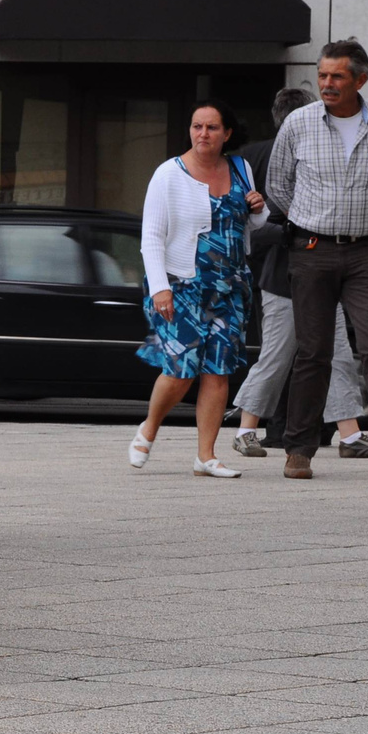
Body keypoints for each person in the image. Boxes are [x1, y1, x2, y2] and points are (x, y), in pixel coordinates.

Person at [268, 39, 368, 484]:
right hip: (311, 250)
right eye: (322, 75)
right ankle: (298, 450)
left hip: (366, 251)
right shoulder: (299, 124)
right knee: (314, 352)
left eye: (337, 76)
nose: (327, 83)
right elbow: (278, 187)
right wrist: (313, 220)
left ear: (361, 79)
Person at [230, 87, 368, 460]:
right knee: (285, 355)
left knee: (332, 354)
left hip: (298, 271)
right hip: (290, 272)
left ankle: (348, 433)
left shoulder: (254, 157)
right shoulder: (276, 158)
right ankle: (247, 428)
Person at [129, 100, 267, 477]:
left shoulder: (241, 169)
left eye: (211, 128)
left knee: (218, 370)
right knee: (181, 369)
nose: (202, 134)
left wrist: (258, 208)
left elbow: (249, 225)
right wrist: (160, 288)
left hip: (231, 285)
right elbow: (151, 237)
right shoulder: (168, 174)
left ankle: (206, 455)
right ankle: (150, 428)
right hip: (182, 284)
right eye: (196, 126)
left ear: (227, 134)